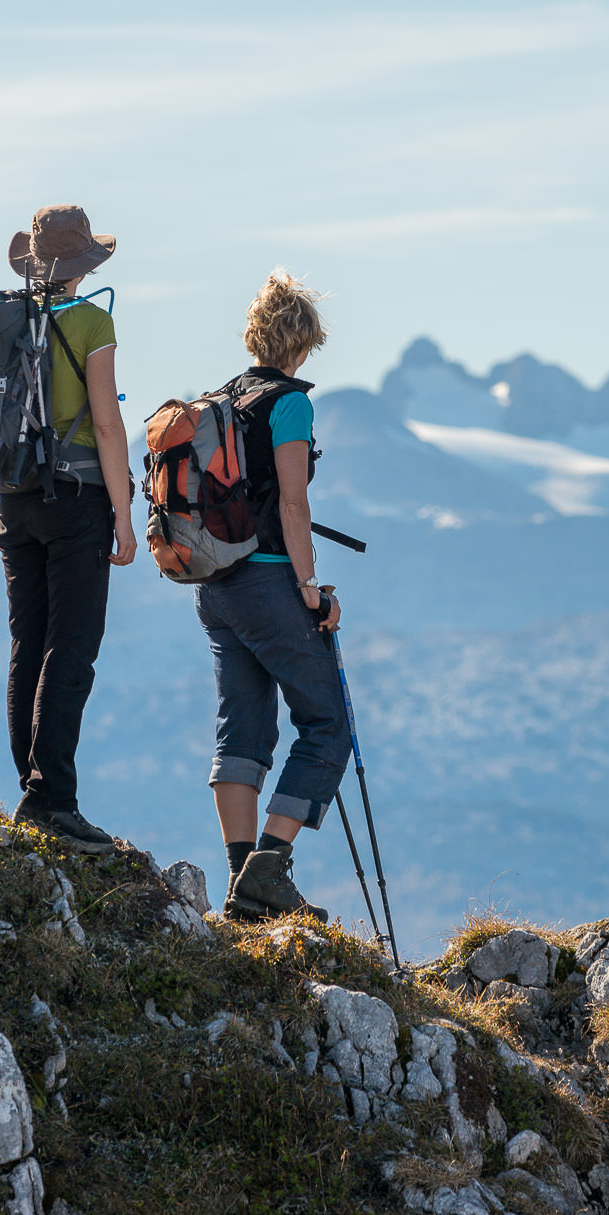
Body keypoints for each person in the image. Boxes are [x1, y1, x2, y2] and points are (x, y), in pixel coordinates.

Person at [198, 271, 350, 921]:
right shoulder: (289, 402)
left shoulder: (221, 398)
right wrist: (310, 588)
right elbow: (293, 502)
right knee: (327, 723)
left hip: (214, 586)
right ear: (302, 341)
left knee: (244, 727)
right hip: (264, 577)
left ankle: (242, 885)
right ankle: (268, 869)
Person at [0, 204, 137, 852]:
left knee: (30, 640)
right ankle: (52, 798)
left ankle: (33, 787)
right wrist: (125, 516)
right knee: (72, 646)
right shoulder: (90, 319)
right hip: (75, 495)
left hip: (14, 497)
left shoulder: (9, 320)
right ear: (82, 266)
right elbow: (107, 424)